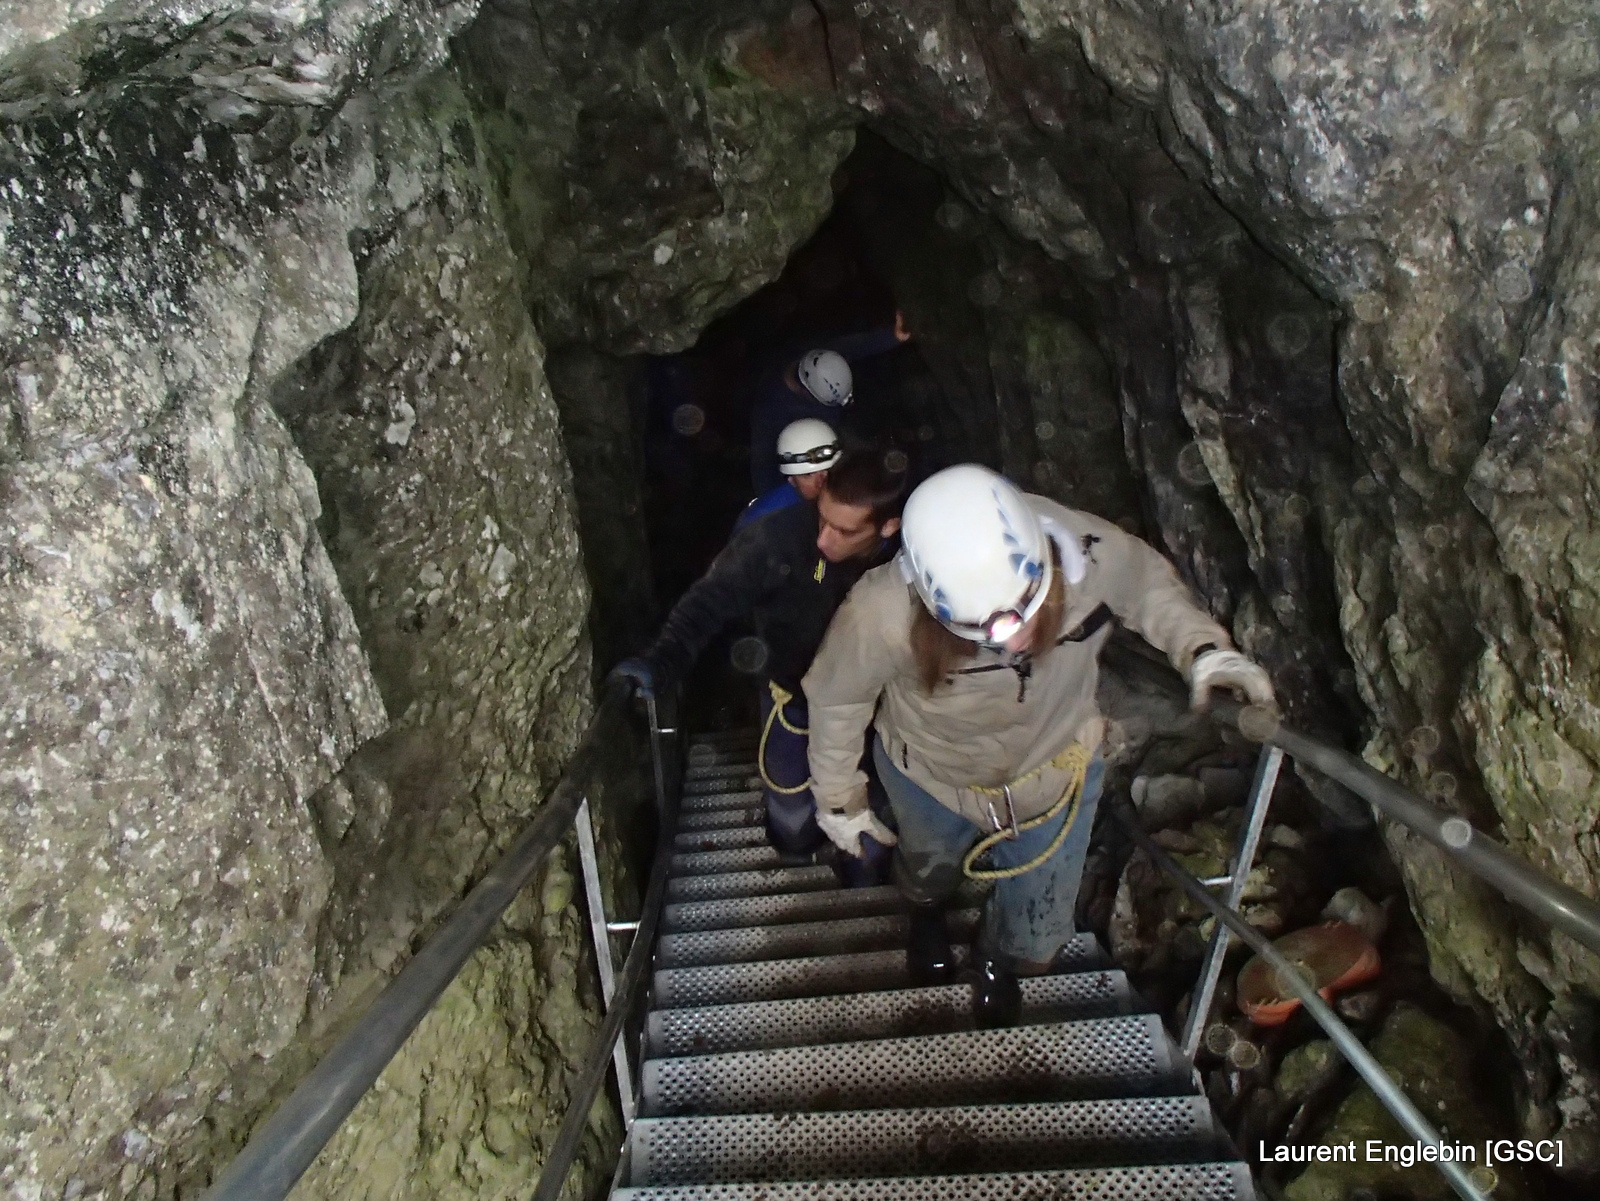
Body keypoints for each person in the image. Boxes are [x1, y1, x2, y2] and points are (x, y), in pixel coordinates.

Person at [801, 464, 1275, 1024]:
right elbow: (837, 699)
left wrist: (1201, 648)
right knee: (929, 867)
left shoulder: (1084, 551)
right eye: (985, 631)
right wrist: (840, 802)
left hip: (1053, 771)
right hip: (930, 775)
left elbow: (1146, 584)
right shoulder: (879, 613)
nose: (1017, 637)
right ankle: (926, 912)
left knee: (1038, 933)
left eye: (1028, 603)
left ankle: (998, 960)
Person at [611, 449, 910, 879]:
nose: (823, 540)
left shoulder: (911, 561)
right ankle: (799, 848)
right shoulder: (778, 538)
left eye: (844, 531)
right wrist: (662, 662)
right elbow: (709, 601)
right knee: (791, 815)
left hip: (882, 708)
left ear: (888, 527)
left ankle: (863, 873)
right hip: (794, 698)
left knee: (877, 811)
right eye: (822, 518)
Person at [748, 313, 911, 494]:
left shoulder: (820, 360)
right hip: (812, 447)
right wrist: (773, 501)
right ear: (807, 392)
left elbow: (857, 346)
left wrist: (893, 335)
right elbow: (762, 463)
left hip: (836, 429)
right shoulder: (771, 410)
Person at [735, 418, 841, 530]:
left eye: (829, 470)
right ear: (791, 480)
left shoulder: (851, 499)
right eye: (808, 475)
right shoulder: (763, 520)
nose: (822, 482)